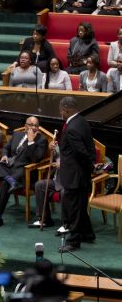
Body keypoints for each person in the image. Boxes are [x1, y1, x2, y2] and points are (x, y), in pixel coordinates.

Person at [0, 116, 47, 230]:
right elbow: (6, 148)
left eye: (36, 126)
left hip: (23, 170)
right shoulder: (17, 135)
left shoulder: (41, 140)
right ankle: (11, 180)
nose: (33, 128)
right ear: (25, 126)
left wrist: (31, 141)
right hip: (9, 166)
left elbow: (35, 159)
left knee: (4, 183)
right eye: (31, 125)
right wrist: (4, 156)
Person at [57, 96, 96, 252]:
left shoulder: (72, 127)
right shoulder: (82, 121)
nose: (60, 113)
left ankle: (73, 242)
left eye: (61, 110)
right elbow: (90, 148)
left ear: (65, 109)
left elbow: (81, 153)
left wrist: (90, 166)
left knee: (73, 208)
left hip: (75, 175)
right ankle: (88, 234)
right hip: (81, 174)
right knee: (80, 206)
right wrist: (90, 166)